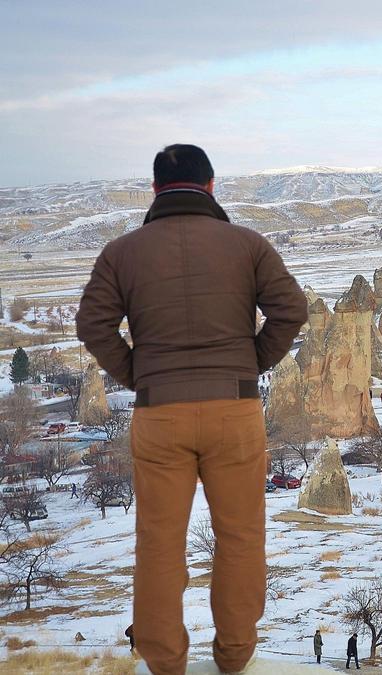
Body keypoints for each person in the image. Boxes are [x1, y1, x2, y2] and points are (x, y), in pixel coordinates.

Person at [77, 144, 307, 675]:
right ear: (210, 187)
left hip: (160, 415)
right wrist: (251, 362)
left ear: (155, 190)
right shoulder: (247, 244)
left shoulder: (122, 252)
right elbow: (290, 310)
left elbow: (92, 325)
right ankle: (234, 657)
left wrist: (139, 374)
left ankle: (165, 664)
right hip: (235, 412)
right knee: (241, 538)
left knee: (159, 543)